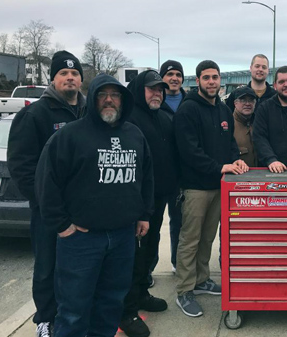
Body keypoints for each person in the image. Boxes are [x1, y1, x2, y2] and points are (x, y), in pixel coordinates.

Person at [34, 74, 154, 337]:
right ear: (93, 99)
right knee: (74, 310)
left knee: (110, 305)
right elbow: (46, 181)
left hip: (123, 237)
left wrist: (144, 214)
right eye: (103, 94)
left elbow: (146, 177)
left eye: (115, 95)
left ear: (123, 100)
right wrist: (62, 225)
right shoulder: (70, 136)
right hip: (81, 240)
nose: (109, 100)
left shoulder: (134, 135)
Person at [7, 50, 86, 337]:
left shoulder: (89, 113)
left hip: (83, 210)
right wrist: (45, 203)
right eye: (63, 73)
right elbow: (21, 166)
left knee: (78, 268)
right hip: (49, 212)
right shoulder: (34, 114)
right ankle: (46, 319)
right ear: (53, 79)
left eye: (74, 73)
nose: (69, 78)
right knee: (47, 267)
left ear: (80, 79)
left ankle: (74, 314)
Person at [174, 60, 248, 317]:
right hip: (196, 187)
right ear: (198, 81)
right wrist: (220, 167)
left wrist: (236, 158)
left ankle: (201, 279)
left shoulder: (223, 110)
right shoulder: (188, 110)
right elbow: (189, 152)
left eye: (215, 77)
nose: (211, 82)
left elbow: (230, 143)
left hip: (219, 185)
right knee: (190, 239)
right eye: (206, 78)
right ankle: (184, 290)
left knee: (207, 237)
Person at [119, 70, 177, 337]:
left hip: (159, 198)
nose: (157, 93)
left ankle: (142, 293)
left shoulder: (163, 116)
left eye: (160, 90)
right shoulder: (128, 120)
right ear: (140, 90)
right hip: (134, 202)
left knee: (149, 250)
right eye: (152, 89)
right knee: (131, 256)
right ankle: (127, 311)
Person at [158, 60, 186, 274]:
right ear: (162, 78)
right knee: (152, 224)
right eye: (169, 74)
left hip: (185, 174)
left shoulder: (190, 102)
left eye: (178, 74)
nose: (174, 78)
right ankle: (147, 269)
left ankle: (178, 263)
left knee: (179, 222)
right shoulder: (155, 103)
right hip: (160, 174)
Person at [232, 86, 258, 167]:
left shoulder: (260, 124)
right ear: (235, 103)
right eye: (243, 100)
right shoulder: (228, 125)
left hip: (260, 176)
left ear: (255, 103)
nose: (247, 103)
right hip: (237, 176)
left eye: (251, 100)